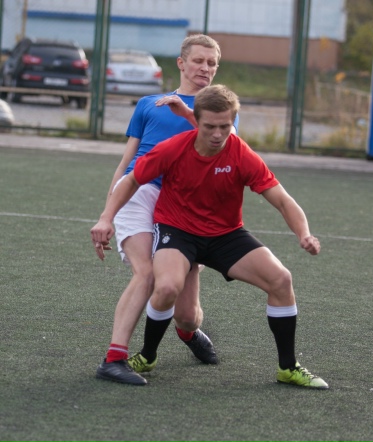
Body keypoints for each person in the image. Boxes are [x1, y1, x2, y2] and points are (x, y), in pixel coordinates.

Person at [91, 84, 329, 389]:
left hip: (225, 235)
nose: (217, 134)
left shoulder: (241, 154)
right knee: (166, 286)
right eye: (210, 127)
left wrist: (303, 233)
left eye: (225, 127)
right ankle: (147, 355)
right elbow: (132, 180)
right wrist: (106, 218)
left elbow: (282, 200)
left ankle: (288, 367)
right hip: (177, 231)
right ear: (196, 120)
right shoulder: (173, 148)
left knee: (281, 279)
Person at [92, 35, 238, 386]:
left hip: (185, 205)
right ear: (181, 63)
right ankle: (114, 359)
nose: (205, 68)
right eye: (198, 60)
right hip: (140, 193)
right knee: (146, 274)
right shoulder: (148, 104)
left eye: (212, 63)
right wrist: (107, 214)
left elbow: (228, 150)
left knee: (187, 314)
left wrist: (189, 114)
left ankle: (187, 333)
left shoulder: (220, 109)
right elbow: (127, 163)